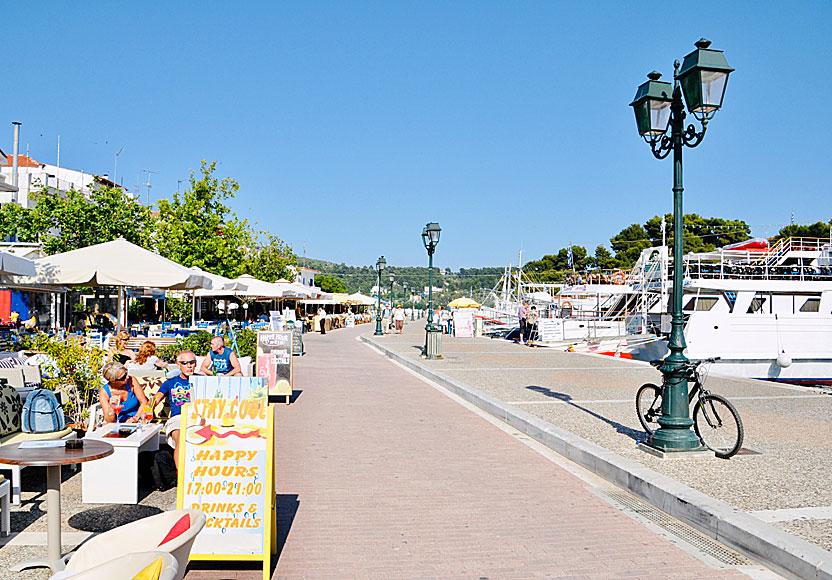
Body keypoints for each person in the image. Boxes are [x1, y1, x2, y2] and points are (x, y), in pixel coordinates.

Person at [152, 350, 197, 468]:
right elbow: (155, 400)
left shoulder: (202, 380)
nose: (189, 366)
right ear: (178, 364)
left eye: (192, 362)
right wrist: (143, 412)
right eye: (185, 363)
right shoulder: (170, 383)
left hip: (198, 417)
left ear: (195, 363)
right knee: (181, 437)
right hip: (178, 418)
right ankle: (181, 477)